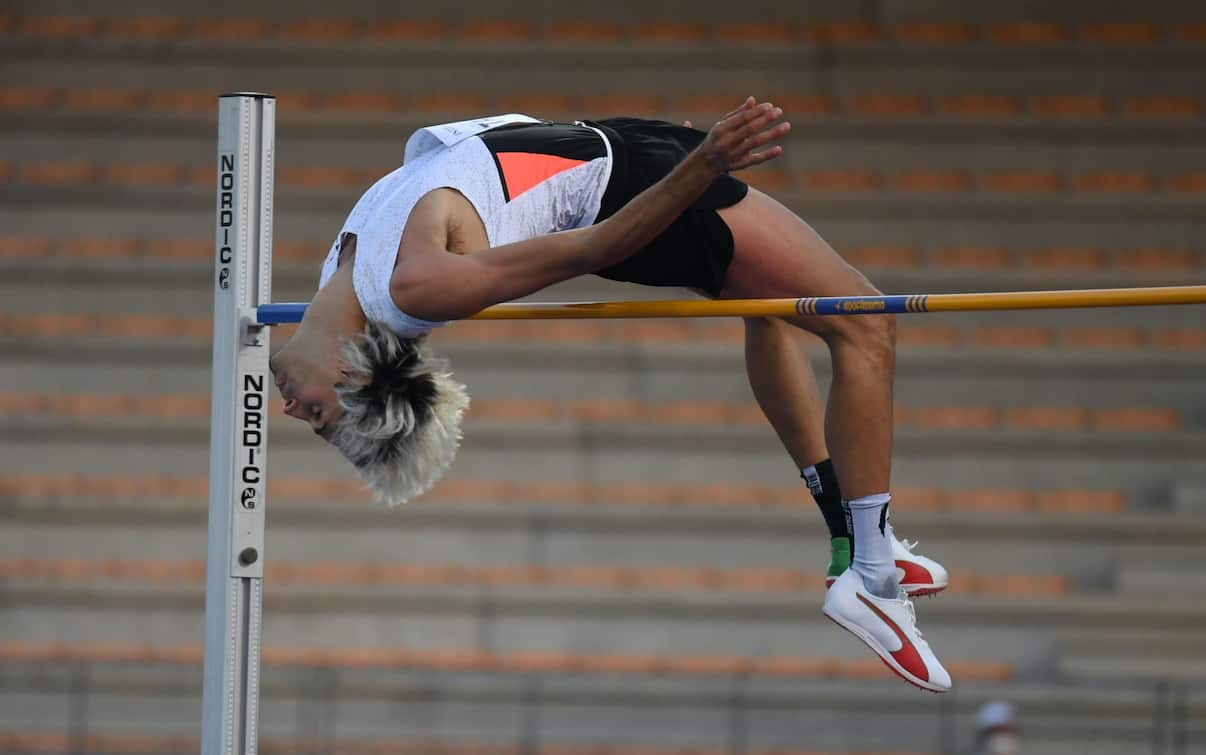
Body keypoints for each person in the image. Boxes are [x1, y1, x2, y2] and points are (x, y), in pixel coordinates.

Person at [268, 98, 951, 691]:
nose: (292, 409)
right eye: (318, 417)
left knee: (767, 305)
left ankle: (848, 540)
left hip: (617, 144)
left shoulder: (343, 263)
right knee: (865, 322)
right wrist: (698, 167)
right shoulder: (418, 286)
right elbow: (592, 247)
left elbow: (478, 146)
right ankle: (871, 570)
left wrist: (661, 145)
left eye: (315, 418)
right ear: (355, 373)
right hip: (630, 186)